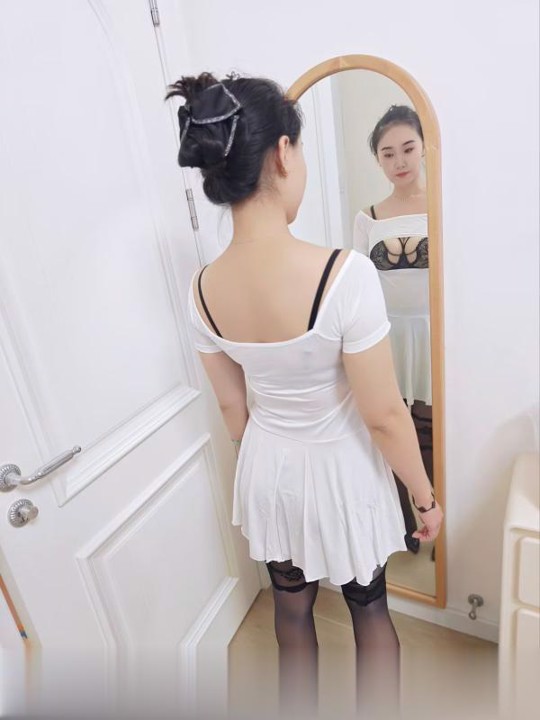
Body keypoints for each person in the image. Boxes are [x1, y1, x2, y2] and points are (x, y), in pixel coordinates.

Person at [166, 74, 443, 718]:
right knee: (368, 610)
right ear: (284, 153)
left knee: (291, 612)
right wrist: (424, 498)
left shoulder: (200, 287)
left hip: (268, 468)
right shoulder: (345, 274)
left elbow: (233, 410)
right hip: (344, 470)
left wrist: (270, 460)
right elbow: (384, 415)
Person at [353, 105, 434, 558]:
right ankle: (402, 527)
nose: (399, 161)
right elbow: (357, 287)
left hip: (433, 334)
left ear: (424, 148)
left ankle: (435, 521)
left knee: (430, 432)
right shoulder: (367, 217)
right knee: (390, 431)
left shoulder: (441, 206)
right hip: (384, 336)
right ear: (378, 160)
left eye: (407, 148)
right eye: (388, 154)